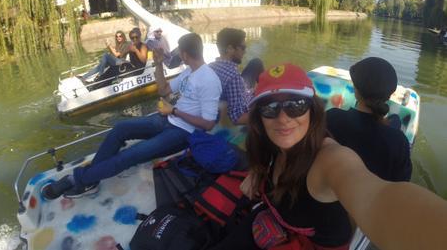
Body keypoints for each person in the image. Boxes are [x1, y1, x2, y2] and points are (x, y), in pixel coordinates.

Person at [42, 33, 222, 199]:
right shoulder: (189, 72)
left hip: (184, 133)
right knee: (121, 128)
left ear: (183, 54)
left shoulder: (209, 79)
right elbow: (164, 90)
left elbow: (208, 124)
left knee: (129, 155)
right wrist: (158, 64)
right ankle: (90, 179)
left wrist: (174, 111)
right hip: (168, 119)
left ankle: (77, 179)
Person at [211, 63, 352, 249]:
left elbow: (371, 191)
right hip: (276, 223)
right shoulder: (270, 144)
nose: (283, 118)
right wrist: (257, 172)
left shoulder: (328, 159)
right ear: (259, 118)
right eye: (270, 107)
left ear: (312, 109)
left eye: (296, 105)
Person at [326, 57, 412, 182]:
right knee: (395, 121)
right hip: (372, 200)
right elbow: (402, 183)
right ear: (389, 95)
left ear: (356, 91)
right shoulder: (398, 142)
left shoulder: (331, 117)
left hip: (332, 190)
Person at [209, 28, 264, 125]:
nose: (245, 51)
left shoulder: (211, 66)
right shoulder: (234, 77)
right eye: (242, 48)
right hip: (244, 101)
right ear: (230, 49)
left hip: (239, 91)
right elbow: (237, 118)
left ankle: (260, 89)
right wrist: (266, 115)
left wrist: (249, 91)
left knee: (256, 63)